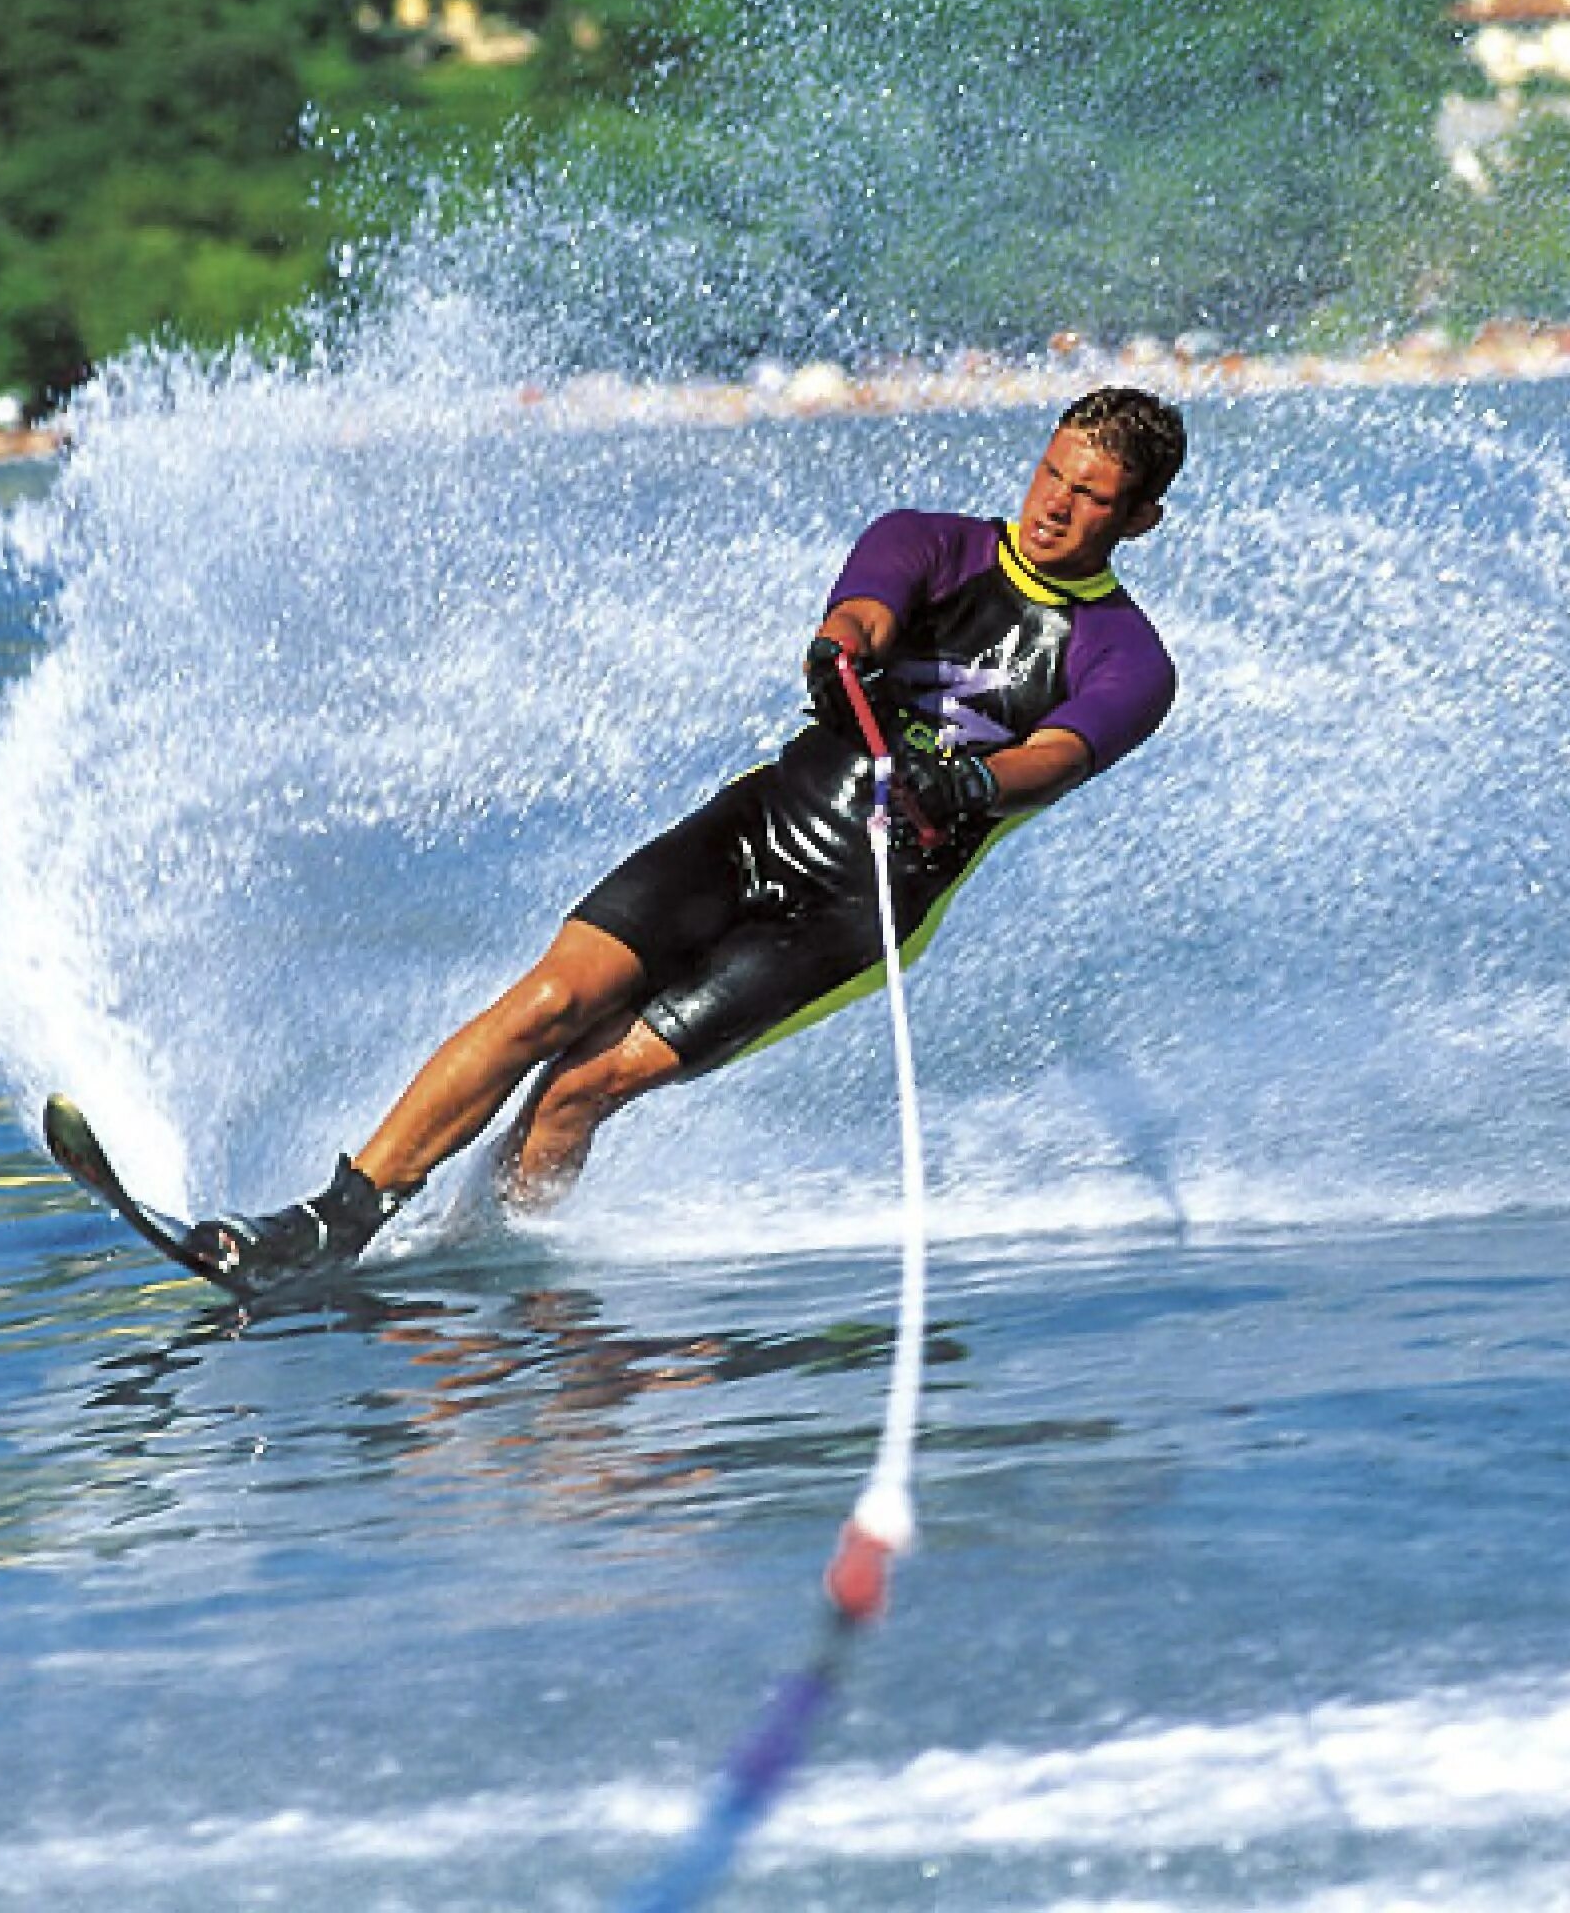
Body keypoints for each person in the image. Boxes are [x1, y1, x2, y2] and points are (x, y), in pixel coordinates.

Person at [185, 385, 1186, 1299]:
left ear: (1138, 518)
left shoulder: (1131, 660)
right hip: (756, 826)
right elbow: (864, 610)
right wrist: (843, 649)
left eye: (1091, 496)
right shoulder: (929, 539)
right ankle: (333, 1225)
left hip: (860, 906)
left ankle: (475, 1255)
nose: (1054, 504)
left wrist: (969, 779)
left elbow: (1054, 758)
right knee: (550, 1003)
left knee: (586, 1083)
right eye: (1052, 472)